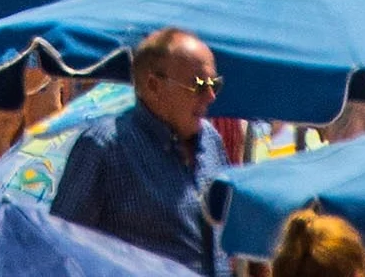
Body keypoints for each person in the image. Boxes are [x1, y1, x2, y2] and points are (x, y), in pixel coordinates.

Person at [49, 28, 230, 272]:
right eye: (198, 85)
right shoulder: (105, 146)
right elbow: (61, 246)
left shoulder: (211, 141)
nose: (210, 96)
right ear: (153, 86)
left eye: (214, 84)